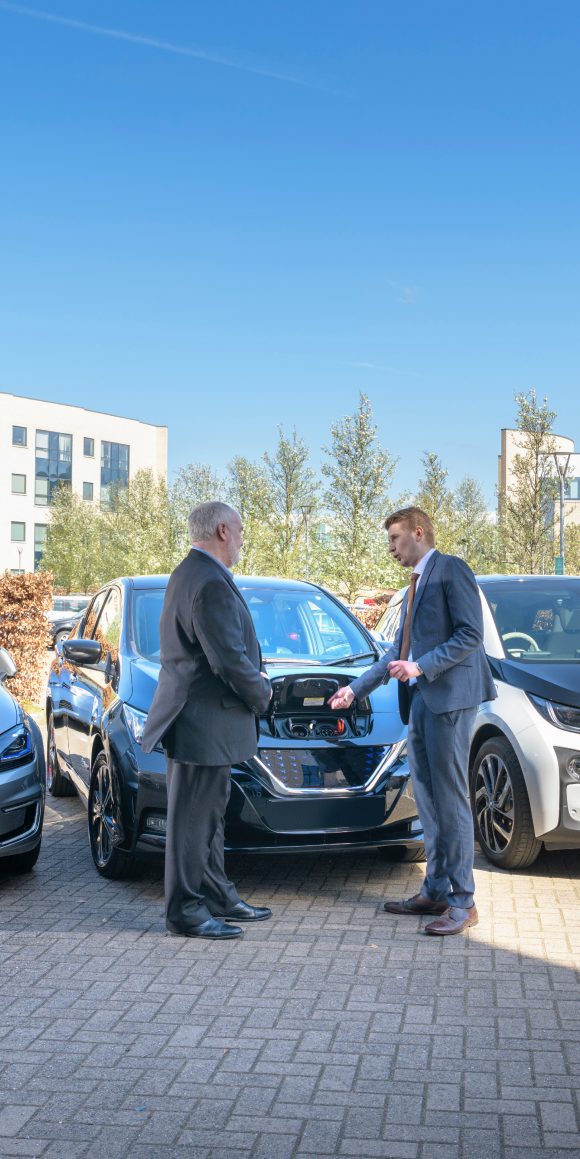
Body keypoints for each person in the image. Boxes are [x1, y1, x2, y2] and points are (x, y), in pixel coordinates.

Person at [328, 507, 496, 936]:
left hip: (450, 701)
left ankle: (463, 902)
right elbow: (396, 652)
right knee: (428, 800)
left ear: (418, 533)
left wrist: (421, 667)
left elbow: (470, 635)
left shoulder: (451, 569)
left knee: (451, 801)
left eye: (395, 538)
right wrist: (355, 690)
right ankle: (435, 891)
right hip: (421, 702)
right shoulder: (414, 584)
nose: (390, 548)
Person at [141, 501, 273, 940]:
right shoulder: (209, 581)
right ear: (221, 530)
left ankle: (217, 895)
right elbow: (227, 660)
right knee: (193, 822)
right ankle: (185, 912)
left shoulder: (190, 573)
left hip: (201, 721)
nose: (242, 540)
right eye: (240, 530)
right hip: (203, 723)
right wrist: (262, 692)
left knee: (207, 818)